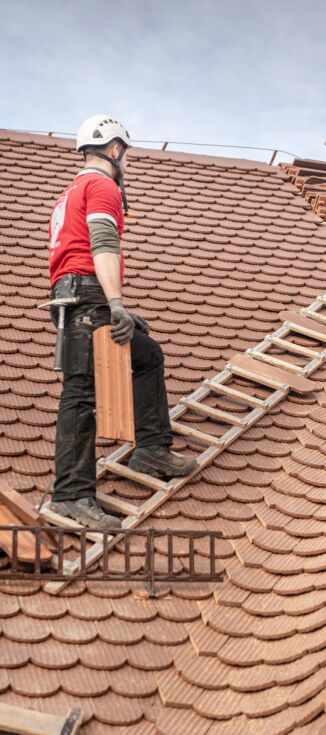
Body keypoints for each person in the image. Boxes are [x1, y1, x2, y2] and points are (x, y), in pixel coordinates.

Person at [47, 114, 197, 528]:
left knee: (146, 354)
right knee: (80, 394)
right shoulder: (102, 186)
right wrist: (115, 303)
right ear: (115, 150)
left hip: (74, 293)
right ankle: (71, 495)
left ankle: (151, 448)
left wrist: (118, 308)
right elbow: (103, 244)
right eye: (124, 154)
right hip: (87, 295)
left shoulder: (70, 191)